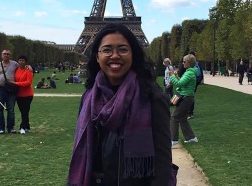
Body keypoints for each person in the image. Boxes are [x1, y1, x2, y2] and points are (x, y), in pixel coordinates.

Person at [66, 23, 173, 186]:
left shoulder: (152, 97)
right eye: (107, 49)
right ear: (97, 56)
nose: (115, 55)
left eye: (122, 49)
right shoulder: (89, 97)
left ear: (133, 55)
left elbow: (163, 163)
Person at [169, 54, 198, 147]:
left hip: (185, 98)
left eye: (184, 61)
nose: (183, 63)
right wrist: (176, 76)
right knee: (182, 119)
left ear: (189, 63)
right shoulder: (189, 72)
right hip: (187, 98)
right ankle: (191, 138)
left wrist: (172, 76)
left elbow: (179, 84)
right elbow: (182, 83)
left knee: (174, 117)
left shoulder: (189, 73)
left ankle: (173, 140)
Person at [0, 49, 19, 134]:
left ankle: (11, 127)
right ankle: (1, 128)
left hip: (11, 88)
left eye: (8, 54)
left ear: (10, 56)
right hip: (0, 87)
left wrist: (28, 66)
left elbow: (21, 69)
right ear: (1, 55)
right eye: (4, 54)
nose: (6, 55)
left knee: (11, 109)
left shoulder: (15, 64)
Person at [14, 55, 34, 134]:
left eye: (23, 60)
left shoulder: (29, 70)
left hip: (27, 95)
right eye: (20, 60)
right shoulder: (16, 70)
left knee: (25, 111)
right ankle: (27, 127)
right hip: (19, 94)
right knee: (23, 112)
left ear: (25, 62)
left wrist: (16, 83)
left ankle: (22, 127)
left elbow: (28, 83)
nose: (21, 62)